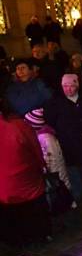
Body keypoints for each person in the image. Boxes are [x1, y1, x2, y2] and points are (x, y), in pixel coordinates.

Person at [44, 74, 82, 201]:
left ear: (77, 85)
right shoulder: (55, 103)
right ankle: (78, 192)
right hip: (68, 143)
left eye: (71, 86)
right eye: (65, 86)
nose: (68, 89)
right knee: (73, 169)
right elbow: (51, 121)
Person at [0, 93, 50, 244]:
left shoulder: (17, 125)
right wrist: (41, 166)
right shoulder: (19, 126)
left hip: (5, 191)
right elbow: (36, 150)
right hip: (28, 182)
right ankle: (40, 236)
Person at [24, 108, 71, 193]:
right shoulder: (40, 135)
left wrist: (48, 169)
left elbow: (54, 156)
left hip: (56, 170)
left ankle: (70, 202)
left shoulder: (46, 138)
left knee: (62, 186)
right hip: (53, 170)